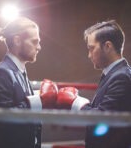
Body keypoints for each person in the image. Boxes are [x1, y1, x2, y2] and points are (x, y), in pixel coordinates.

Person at [0, 17, 58, 148]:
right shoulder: (1, 73)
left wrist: (40, 98)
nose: (39, 47)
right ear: (17, 40)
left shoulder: (19, 71)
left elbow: (20, 104)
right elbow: (2, 119)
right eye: (34, 42)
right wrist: (37, 100)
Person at [56, 20, 131, 148]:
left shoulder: (121, 77)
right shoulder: (112, 74)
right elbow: (104, 109)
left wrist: (75, 101)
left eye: (91, 48)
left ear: (107, 46)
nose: (89, 55)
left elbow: (101, 117)